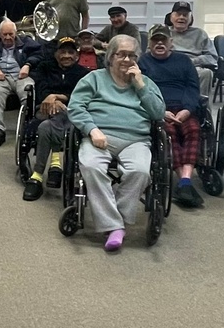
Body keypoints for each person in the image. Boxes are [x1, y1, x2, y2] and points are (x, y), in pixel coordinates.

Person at [67, 35, 166, 252]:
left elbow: (158, 113)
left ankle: (113, 223)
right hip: (100, 136)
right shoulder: (93, 79)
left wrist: (140, 85)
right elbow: (75, 107)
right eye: (121, 54)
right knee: (91, 166)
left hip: (136, 140)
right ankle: (116, 227)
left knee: (140, 171)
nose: (127, 59)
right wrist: (93, 130)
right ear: (111, 57)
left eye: (132, 55)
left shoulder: (146, 82)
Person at [139, 24, 205, 208]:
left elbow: (193, 88)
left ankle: (185, 180)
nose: (159, 43)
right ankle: (183, 181)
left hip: (183, 108)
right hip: (158, 109)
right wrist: (161, 111)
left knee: (193, 129)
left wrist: (187, 110)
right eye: (155, 40)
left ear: (171, 42)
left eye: (163, 40)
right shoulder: (142, 62)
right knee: (169, 135)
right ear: (149, 44)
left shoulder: (184, 61)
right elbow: (141, 90)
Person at [22, 37, 90, 201]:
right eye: (63, 51)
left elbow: (82, 96)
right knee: (51, 117)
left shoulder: (84, 74)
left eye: (70, 52)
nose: (66, 55)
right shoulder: (45, 67)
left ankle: (37, 175)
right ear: (56, 53)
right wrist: (50, 98)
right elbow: (40, 87)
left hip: (71, 112)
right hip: (44, 109)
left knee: (46, 127)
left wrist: (59, 98)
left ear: (76, 55)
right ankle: (55, 164)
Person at [0, 19, 41, 147]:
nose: (8, 37)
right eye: (4, 35)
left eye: (11, 34)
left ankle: (27, 128)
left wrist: (28, 65)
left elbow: (38, 54)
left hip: (21, 76)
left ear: (16, 33)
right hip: (1, 77)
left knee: (28, 92)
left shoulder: (27, 42)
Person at [168, 1, 217, 99]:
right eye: (178, 14)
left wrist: (193, 61)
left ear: (190, 18)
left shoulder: (200, 33)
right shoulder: (163, 32)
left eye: (185, 15)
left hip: (193, 67)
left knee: (206, 73)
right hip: (168, 65)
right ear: (171, 17)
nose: (181, 17)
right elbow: (150, 53)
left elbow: (212, 57)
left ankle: (202, 107)